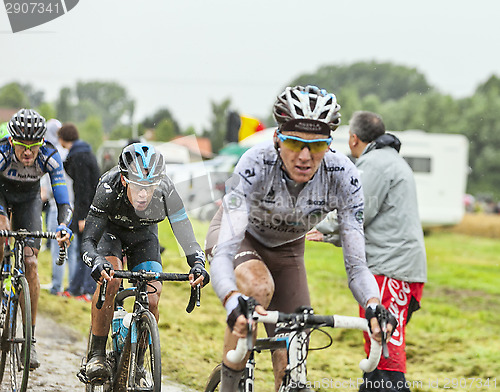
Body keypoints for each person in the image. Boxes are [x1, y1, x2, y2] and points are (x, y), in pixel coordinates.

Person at [207, 85, 397, 392]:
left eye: (317, 146)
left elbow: (358, 267)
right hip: (242, 238)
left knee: (294, 361)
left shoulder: (343, 176)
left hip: (287, 251)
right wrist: (231, 299)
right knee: (257, 287)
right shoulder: (254, 164)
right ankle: (231, 381)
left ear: (329, 144)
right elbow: (225, 252)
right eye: (295, 143)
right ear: (277, 139)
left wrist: (374, 304)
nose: (305, 157)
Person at [306, 111, 427, 392]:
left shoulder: (373, 163)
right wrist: (332, 237)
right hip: (399, 265)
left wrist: (319, 227)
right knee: (379, 345)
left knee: (385, 348)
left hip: (390, 268)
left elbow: (358, 212)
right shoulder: (391, 160)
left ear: (353, 138)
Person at [81, 142, 210, 381]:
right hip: (111, 234)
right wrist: (97, 261)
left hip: (144, 236)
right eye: (138, 186)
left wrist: (198, 264)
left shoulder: (167, 190)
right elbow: (88, 239)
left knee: (151, 299)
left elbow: (187, 236)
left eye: (150, 187)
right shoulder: (108, 187)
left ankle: (137, 363)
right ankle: (97, 354)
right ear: (124, 180)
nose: (144, 194)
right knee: (110, 281)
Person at [0, 109, 73, 369]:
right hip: (2, 195)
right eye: (22, 147)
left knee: (30, 264)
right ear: (12, 142)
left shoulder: (50, 156)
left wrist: (64, 225)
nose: (28, 153)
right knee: (1, 227)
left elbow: (64, 200)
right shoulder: (2, 152)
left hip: (29, 200)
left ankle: (29, 341)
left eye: (33, 146)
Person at [58, 123, 101, 301]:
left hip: (89, 211)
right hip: (87, 208)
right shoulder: (83, 152)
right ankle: (75, 288)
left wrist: (84, 217)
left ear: (62, 139)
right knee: (80, 250)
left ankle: (87, 290)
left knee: (87, 251)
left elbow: (84, 189)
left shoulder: (79, 156)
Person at [40, 119, 79, 296]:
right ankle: (71, 286)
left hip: (58, 206)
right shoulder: (68, 152)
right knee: (72, 248)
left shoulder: (49, 153)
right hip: (73, 205)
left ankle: (56, 286)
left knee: (58, 247)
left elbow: (48, 183)